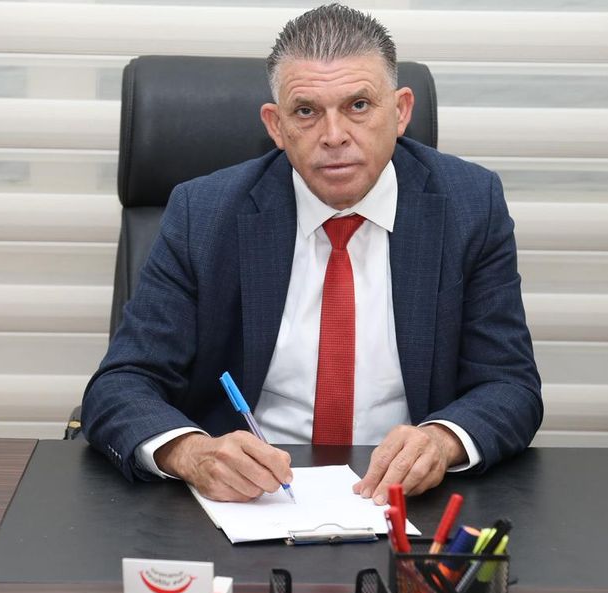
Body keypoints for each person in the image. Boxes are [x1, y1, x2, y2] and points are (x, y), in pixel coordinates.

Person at [82, 3, 541, 504]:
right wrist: (193, 453)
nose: (334, 136)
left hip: (404, 500)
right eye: (306, 111)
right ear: (276, 126)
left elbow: (509, 384)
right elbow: (122, 383)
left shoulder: (470, 205)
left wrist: (442, 440)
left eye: (359, 105)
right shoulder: (204, 213)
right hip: (251, 500)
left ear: (401, 111)